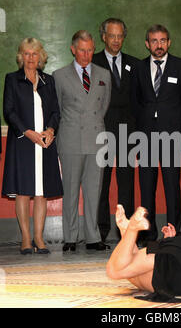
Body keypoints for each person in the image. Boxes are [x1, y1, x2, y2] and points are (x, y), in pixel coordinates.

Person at [132, 24, 181, 245]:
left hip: (172, 137)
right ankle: (148, 234)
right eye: (154, 41)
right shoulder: (138, 69)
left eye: (162, 40)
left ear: (168, 42)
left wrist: (180, 133)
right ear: (147, 43)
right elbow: (135, 104)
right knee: (147, 189)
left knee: (171, 188)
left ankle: (173, 233)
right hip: (146, 138)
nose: (158, 45)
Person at [2, 37, 63, 255]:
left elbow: (56, 111)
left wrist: (50, 131)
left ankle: (39, 237)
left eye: (34, 53)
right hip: (23, 143)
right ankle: (26, 239)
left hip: (44, 144)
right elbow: (9, 112)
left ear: (41, 57)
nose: (30, 58)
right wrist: (28, 133)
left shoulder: (48, 81)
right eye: (26, 54)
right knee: (23, 192)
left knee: (41, 192)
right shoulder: (12, 79)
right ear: (21, 57)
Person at [53, 30, 111, 252]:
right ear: (73, 49)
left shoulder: (104, 74)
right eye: (82, 50)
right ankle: (70, 237)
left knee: (94, 190)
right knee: (70, 189)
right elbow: (57, 108)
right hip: (70, 139)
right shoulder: (59, 76)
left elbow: (103, 108)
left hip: (96, 138)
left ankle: (93, 237)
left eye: (90, 50)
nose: (87, 55)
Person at [92, 18, 139, 243]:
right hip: (102, 130)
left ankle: (127, 231)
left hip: (129, 133)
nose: (116, 40)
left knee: (127, 182)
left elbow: (139, 100)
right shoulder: (92, 62)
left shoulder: (134, 64)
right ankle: (100, 232)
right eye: (112, 36)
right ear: (104, 37)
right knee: (102, 182)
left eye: (120, 36)